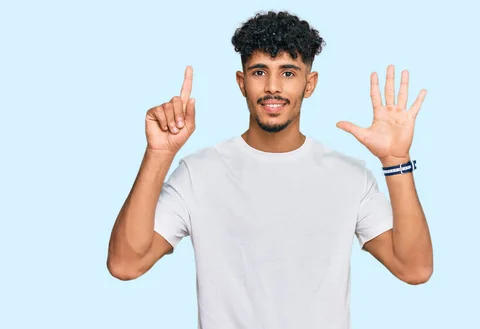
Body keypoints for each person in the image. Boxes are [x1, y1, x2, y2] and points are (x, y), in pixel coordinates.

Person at [107, 10, 433, 329]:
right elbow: (126, 263)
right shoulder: (199, 173)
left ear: (310, 83)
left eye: (288, 73)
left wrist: (395, 161)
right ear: (241, 81)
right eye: (259, 72)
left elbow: (414, 268)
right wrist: (159, 153)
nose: (272, 87)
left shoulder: (350, 177)